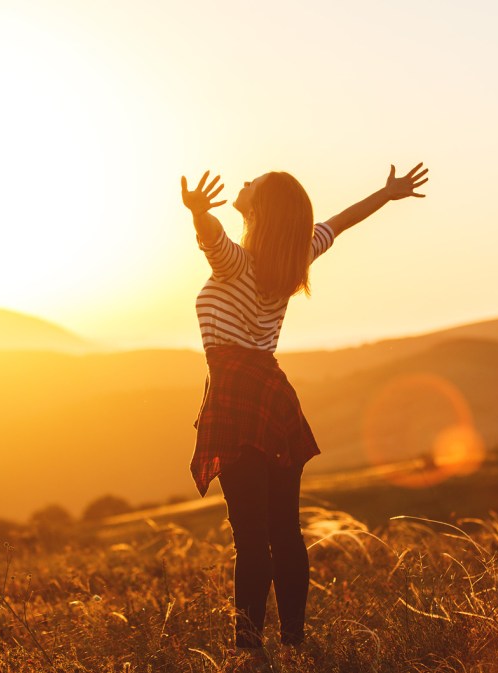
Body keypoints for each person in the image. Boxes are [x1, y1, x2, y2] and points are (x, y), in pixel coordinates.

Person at [180, 163, 429, 661]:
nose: (244, 182)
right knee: (284, 531)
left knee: (250, 538)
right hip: (274, 399)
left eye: (253, 183)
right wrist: (385, 194)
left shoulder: (237, 264)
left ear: (260, 207)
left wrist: (199, 216)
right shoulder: (296, 254)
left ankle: (248, 651)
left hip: (235, 399)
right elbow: (342, 221)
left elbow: (213, 241)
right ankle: (293, 643)